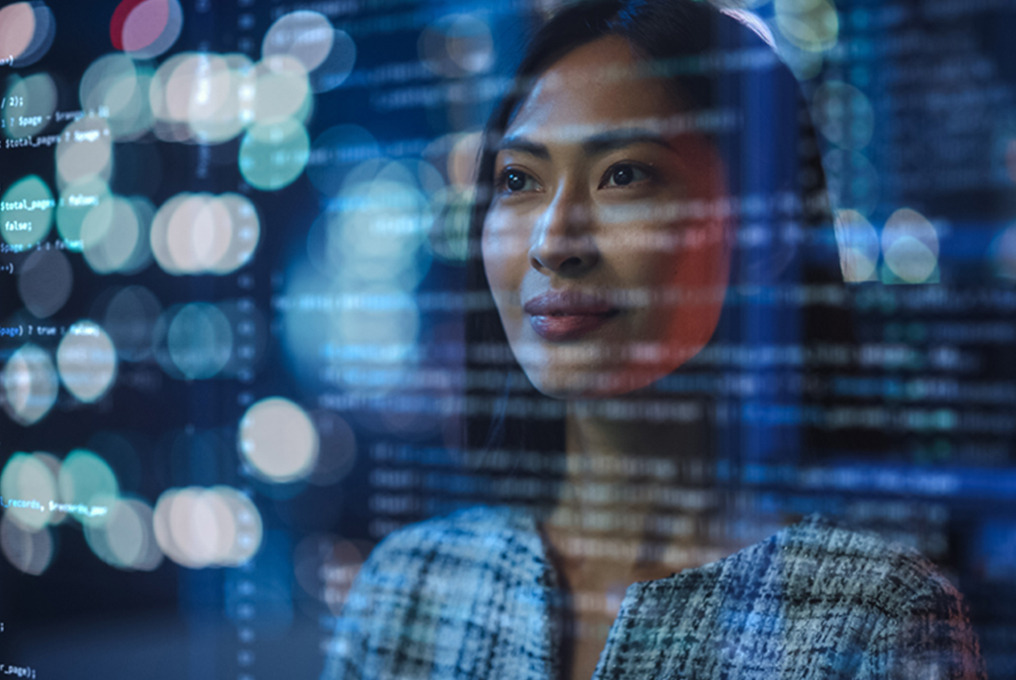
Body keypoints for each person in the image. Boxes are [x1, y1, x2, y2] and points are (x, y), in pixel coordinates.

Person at [322, 1, 985, 678]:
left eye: (625, 174)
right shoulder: (411, 591)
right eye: (519, 180)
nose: (554, 242)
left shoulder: (870, 617)